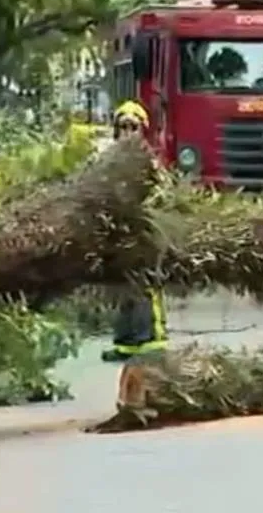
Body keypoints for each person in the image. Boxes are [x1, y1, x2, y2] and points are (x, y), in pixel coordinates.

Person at [101, 99, 169, 363]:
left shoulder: (149, 162)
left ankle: (154, 342)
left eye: (133, 127)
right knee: (120, 288)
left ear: (142, 130)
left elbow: (162, 197)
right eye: (123, 126)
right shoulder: (107, 161)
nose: (128, 132)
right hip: (117, 233)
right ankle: (126, 344)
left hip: (143, 234)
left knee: (145, 287)